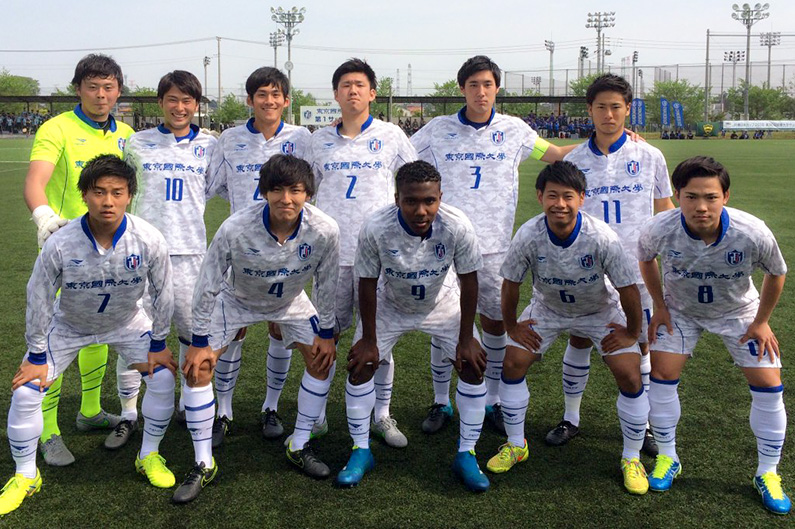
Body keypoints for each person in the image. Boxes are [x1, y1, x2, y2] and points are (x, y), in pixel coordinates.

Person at [410, 55, 580, 436]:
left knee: (495, 322)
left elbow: (552, 154)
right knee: (445, 325)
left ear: (496, 88)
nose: (481, 92)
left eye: (487, 84)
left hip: (493, 245)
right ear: (462, 89)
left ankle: (494, 400)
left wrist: (603, 141)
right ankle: (442, 401)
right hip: (443, 243)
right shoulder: (437, 130)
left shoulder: (515, 131)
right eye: (473, 85)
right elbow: (401, 157)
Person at [0, 155, 175, 515]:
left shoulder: (147, 237)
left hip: (127, 322)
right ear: (84, 195)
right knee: (26, 389)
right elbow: (39, 298)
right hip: (69, 327)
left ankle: (149, 455)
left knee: (163, 377)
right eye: (98, 192)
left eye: (117, 192)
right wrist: (35, 355)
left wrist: (158, 343)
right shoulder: (61, 243)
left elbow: (163, 292)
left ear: (130, 195)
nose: (107, 201)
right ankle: (25, 474)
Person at [179, 154, 339, 503]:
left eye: (296, 190)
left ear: (308, 194)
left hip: (291, 302)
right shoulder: (236, 227)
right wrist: (199, 340)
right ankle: (203, 462)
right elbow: (207, 283)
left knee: (324, 359)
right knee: (197, 368)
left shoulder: (325, 229)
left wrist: (326, 333)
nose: (287, 199)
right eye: (277, 190)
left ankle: (299, 444)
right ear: (264, 192)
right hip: (235, 301)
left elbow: (327, 284)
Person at [637, 156, 790, 514]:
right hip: (681, 311)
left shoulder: (751, 231)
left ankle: (767, 472)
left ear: (726, 196)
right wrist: (659, 306)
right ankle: (668, 457)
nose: (701, 206)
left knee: (769, 384)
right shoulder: (660, 227)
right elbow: (646, 259)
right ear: (677, 195)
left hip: (738, 312)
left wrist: (762, 321)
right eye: (690, 197)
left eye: (710, 196)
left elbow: (776, 272)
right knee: (661, 376)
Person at [487, 161, 650, 496]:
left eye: (567, 196)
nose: (559, 203)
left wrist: (633, 332)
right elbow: (511, 284)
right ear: (540, 197)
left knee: (630, 373)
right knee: (513, 362)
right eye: (552, 196)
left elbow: (627, 288)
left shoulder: (601, 237)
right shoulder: (529, 234)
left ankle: (631, 456)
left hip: (598, 311)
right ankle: (516, 444)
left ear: (581, 199)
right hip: (548, 309)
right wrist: (512, 326)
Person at [338, 160, 488, 491]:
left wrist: (466, 337)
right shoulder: (376, 226)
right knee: (361, 364)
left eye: (429, 201)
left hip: (442, 302)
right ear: (397, 199)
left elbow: (470, 281)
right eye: (411, 201)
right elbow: (365, 281)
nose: (421, 210)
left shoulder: (457, 225)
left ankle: (467, 454)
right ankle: (360, 450)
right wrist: (369, 338)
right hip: (391, 302)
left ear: (440, 197)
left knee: (473, 366)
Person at [546, 74, 674, 454]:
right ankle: (571, 418)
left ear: (628, 110)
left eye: (616, 106)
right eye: (600, 106)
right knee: (580, 336)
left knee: (643, 343)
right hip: (584, 269)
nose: (608, 113)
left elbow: (664, 210)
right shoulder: (574, 159)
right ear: (589, 111)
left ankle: (645, 421)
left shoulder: (649, 155)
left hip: (636, 270)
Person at [23, 53, 136, 466]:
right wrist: (44, 217)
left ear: (118, 91)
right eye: (93, 86)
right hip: (65, 252)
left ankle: (89, 411)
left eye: (108, 87)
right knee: (55, 341)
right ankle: (47, 431)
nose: (101, 94)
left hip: (111, 253)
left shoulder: (126, 132)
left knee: (101, 331)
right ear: (78, 89)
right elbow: (35, 180)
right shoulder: (56, 128)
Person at [305, 58, 416, 448]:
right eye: (345, 85)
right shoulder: (316, 140)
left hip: (379, 258)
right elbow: (305, 194)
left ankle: (381, 414)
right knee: (324, 338)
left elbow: (414, 184)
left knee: (378, 340)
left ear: (372, 93)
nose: (353, 91)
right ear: (335, 94)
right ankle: (316, 417)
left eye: (360, 85)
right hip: (331, 257)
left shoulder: (392, 136)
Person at [205, 67, 312, 446]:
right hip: (242, 250)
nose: (269, 101)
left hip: (288, 252)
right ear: (249, 100)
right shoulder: (229, 139)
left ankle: (270, 407)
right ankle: (224, 410)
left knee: (280, 327)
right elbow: (212, 186)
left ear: (286, 100)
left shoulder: (302, 138)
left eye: (276, 94)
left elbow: (311, 188)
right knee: (232, 329)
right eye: (261, 94)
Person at [121, 71, 217, 449]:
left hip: (191, 252)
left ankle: (183, 402)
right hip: (141, 253)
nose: (180, 107)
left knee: (191, 333)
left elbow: (214, 189)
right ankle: (130, 412)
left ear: (196, 105)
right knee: (135, 333)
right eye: (172, 99)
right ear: (160, 102)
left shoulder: (211, 146)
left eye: (187, 101)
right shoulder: (136, 143)